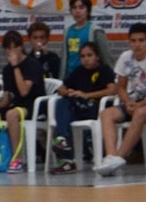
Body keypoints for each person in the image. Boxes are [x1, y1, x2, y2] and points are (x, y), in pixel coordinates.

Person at [96, 21, 146, 174]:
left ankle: (120, 157)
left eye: (141, 40)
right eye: (133, 41)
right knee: (106, 114)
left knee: (140, 113)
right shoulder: (125, 57)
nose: (137, 45)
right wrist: (127, 102)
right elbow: (120, 86)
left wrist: (142, 104)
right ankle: (111, 156)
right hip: (136, 101)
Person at [0, 29, 47, 171]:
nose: (12, 51)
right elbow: (6, 98)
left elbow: (24, 91)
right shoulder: (7, 70)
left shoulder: (32, 64)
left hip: (33, 105)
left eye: (15, 47)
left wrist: (15, 67)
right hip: (14, 105)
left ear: (21, 47)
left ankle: (17, 159)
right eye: (8, 48)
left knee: (11, 114)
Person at [49, 39, 118, 171]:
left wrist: (87, 95)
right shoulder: (78, 71)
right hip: (78, 107)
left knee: (67, 109)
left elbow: (112, 90)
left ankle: (66, 153)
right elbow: (61, 89)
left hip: (95, 108)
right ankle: (64, 144)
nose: (86, 59)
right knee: (62, 101)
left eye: (89, 55)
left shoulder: (104, 70)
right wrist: (68, 91)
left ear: (97, 56)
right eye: (83, 56)